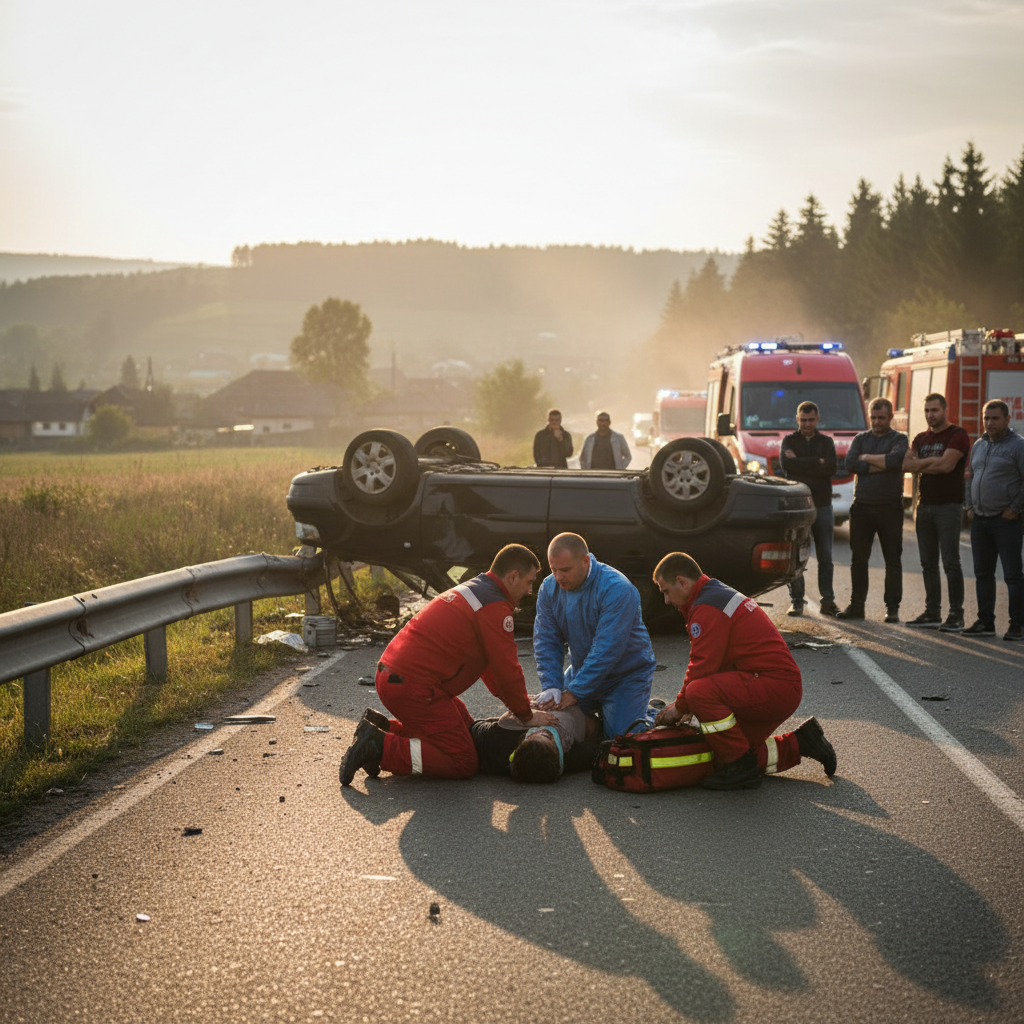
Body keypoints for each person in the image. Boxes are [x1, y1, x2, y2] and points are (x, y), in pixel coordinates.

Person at [339, 543, 556, 785]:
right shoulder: (495, 607)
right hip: (415, 687)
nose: (529, 590)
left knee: (466, 727)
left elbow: (489, 665)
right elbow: (507, 669)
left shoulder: (477, 589)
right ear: (513, 577)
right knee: (463, 760)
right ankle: (381, 747)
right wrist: (526, 716)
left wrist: (516, 703)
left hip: (397, 677)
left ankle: (386, 730)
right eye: (529, 582)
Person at [651, 552, 837, 790]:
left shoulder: (707, 606)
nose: (666, 601)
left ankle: (740, 767)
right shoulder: (713, 594)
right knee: (723, 752)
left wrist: (680, 707)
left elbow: (702, 665)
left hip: (773, 685)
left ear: (682, 582)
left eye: (665, 591)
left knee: (698, 693)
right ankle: (803, 743)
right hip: (775, 685)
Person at [533, 532, 656, 739]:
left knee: (621, 741)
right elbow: (546, 639)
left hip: (625, 676)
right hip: (581, 671)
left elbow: (607, 649)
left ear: (585, 561)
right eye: (553, 569)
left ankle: (651, 715)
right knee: (551, 718)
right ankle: (602, 720)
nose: (558, 577)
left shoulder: (617, 588)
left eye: (565, 570)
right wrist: (551, 684)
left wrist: (574, 693)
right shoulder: (549, 588)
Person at [902, 393, 971, 632]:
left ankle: (956, 615)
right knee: (927, 563)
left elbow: (946, 466)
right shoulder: (921, 437)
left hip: (949, 507)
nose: (931, 415)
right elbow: (906, 465)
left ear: (945, 410)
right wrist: (931, 461)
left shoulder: (957, 435)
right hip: (924, 506)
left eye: (935, 410)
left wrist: (924, 462)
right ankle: (932, 612)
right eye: (927, 411)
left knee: (951, 562)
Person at [838, 397, 909, 623]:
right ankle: (857, 606)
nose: (877, 422)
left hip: (890, 508)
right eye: (874, 417)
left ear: (891, 417)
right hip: (862, 508)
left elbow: (896, 460)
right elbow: (850, 464)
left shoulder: (899, 439)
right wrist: (883, 464)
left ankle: (892, 608)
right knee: (859, 560)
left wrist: (867, 459)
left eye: (881, 417)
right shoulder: (860, 438)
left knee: (893, 561)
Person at [963, 400, 1024, 641]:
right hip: (980, 520)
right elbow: (970, 476)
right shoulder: (979, 445)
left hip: (1006, 520)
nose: (989, 423)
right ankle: (985, 621)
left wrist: (1015, 508)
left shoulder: (1018, 446)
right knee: (983, 573)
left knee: (1012, 575)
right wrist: (969, 506)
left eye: (995, 418)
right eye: (986, 418)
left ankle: (1017, 625)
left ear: (1007, 419)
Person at [779, 401, 838, 616]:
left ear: (817, 418)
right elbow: (787, 467)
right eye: (803, 420)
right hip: (800, 507)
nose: (807, 423)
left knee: (826, 558)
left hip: (822, 505)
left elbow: (830, 467)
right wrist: (816, 462)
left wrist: (802, 462)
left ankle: (828, 601)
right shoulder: (788, 440)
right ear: (797, 419)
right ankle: (797, 602)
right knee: (796, 557)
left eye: (811, 420)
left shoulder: (826, 441)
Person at [470, 704, 602, 782]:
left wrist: (525, 717)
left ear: (523, 740)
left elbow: (475, 727)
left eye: (534, 735)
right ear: (557, 752)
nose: (543, 730)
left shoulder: (499, 743)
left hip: (543, 701)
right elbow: (602, 746)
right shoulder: (574, 756)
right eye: (548, 736)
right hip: (579, 707)